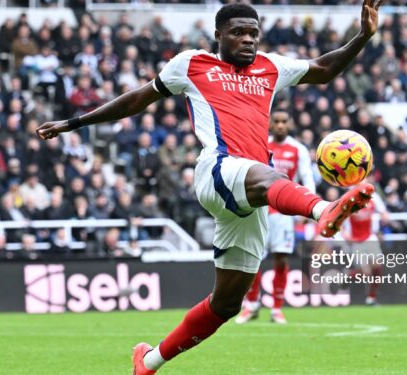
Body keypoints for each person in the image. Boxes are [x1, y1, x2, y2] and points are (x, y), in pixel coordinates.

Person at [36, 2, 381, 373]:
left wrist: (362, 36)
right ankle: (322, 209)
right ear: (219, 35)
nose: (247, 39)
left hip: (250, 194)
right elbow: (137, 99)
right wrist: (73, 123)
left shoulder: (270, 67)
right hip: (218, 169)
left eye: (253, 33)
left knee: (227, 303)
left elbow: (324, 69)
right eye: (238, 32)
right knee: (268, 175)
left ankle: (148, 361)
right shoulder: (191, 64)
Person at [236, 110, 315, 324]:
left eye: (284, 121)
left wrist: (309, 205)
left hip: (284, 214)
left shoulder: (298, 149)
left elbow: (307, 177)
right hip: (259, 210)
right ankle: (252, 305)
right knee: (253, 259)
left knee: (281, 258)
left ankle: (277, 308)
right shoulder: (261, 144)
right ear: (270, 124)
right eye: (276, 122)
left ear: (290, 123)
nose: (280, 125)